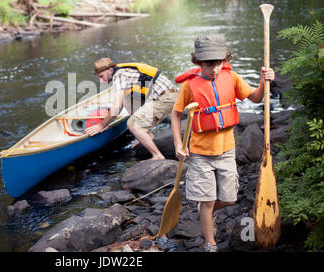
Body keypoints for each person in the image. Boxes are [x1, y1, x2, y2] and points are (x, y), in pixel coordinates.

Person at [172, 34, 275, 252]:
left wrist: (264, 80)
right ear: (198, 62)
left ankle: (207, 212)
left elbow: (257, 98)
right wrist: (178, 144)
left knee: (229, 198)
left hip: (227, 150)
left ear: (224, 59)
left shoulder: (232, 78)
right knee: (207, 200)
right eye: (209, 64)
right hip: (200, 153)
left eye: (218, 62)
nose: (215, 68)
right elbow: (176, 114)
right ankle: (210, 243)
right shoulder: (189, 86)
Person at [86, 58, 177, 160]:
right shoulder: (124, 72)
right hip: (165, 96)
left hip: (165, 98)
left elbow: (116, 108)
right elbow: (124, 103)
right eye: (99, 78)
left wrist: (101, 125)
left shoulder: (119, 75)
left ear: (110, 70)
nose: (101, 81)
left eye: (102, 76)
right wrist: (108, 120)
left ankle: (158, 156)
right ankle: (147, 134)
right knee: (127, 98)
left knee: (132, 124)